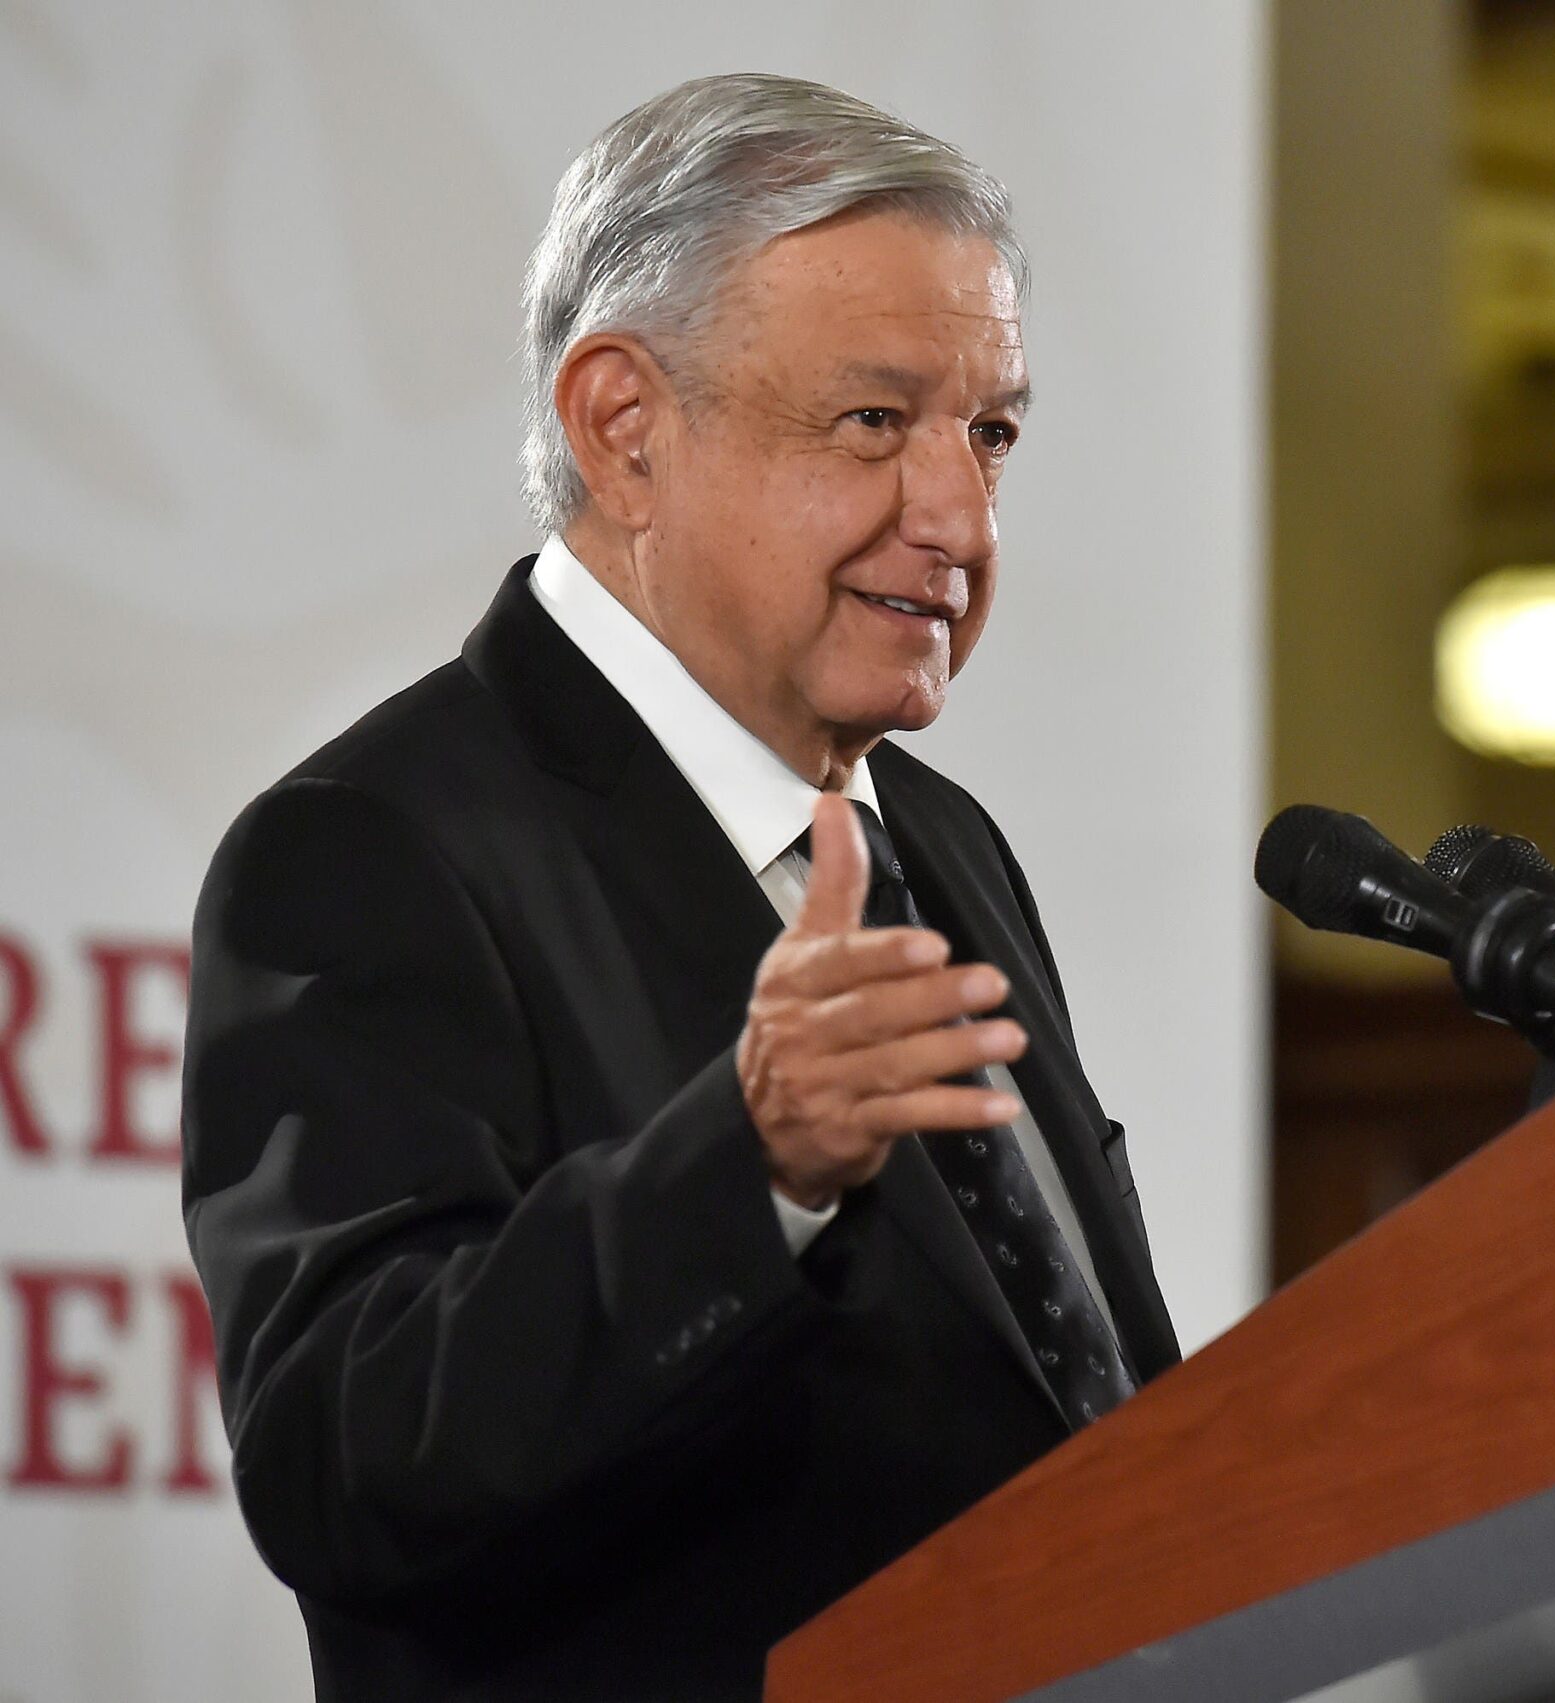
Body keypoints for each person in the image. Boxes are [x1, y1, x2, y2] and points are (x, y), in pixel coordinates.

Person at [179, 73, 1179, 1703]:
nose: (960, 517)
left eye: (990, 432)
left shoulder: (946, 843)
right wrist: (750, 1162)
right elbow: (345, 1456)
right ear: (623, 427)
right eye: (875, 423)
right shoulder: (372, 848)